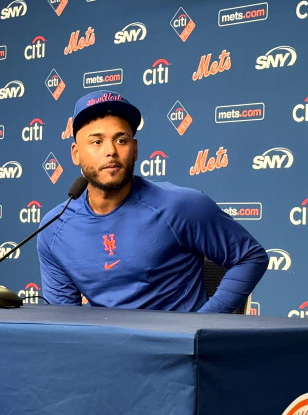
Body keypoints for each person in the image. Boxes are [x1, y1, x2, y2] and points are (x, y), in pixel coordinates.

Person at [36, 90, 269, 313]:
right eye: (96, 142)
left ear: (135, 149)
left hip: (176, 350)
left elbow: (250, 256)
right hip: (106, 350)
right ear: (76, 153)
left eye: (121, 140)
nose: (111, 151)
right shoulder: (54, 227)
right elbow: (64, 318)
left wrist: (202, 325)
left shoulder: (181, 205)